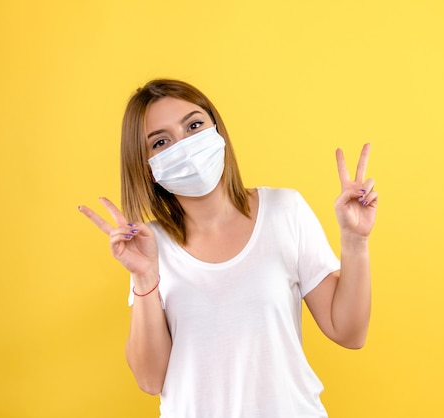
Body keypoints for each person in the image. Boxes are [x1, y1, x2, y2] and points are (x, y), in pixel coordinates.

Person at [78, 79, 377, 417]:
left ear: (217, 130)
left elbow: (349, 332)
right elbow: (150, 380)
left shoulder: (284, 210)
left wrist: (355, 241)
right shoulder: (148, 246)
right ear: (148, 169)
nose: (185, 145)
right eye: (161, 141)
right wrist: (145, 278)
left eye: (194, 125)